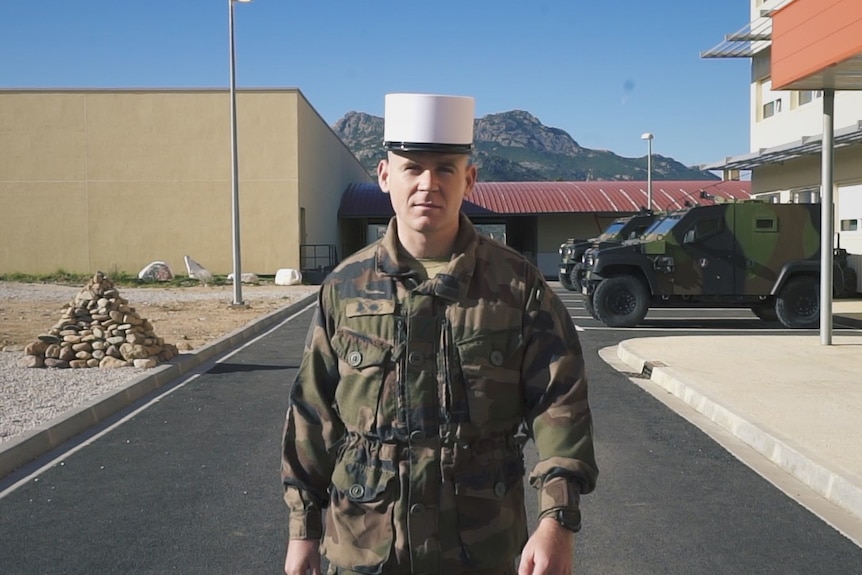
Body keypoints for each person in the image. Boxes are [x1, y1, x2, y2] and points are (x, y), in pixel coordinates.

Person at [282, 93, 598, 575]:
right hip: (365, 546)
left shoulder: (516, 286)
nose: (428, 183)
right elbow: (313, 412)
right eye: (412, 167)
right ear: (385, 176)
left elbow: (561, 405)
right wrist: (302, 531)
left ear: (468, 178)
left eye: (446, 168)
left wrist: (557, 522)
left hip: (478, 547)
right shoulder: (345, 288)